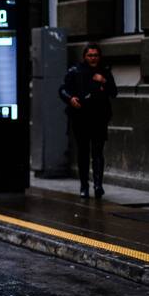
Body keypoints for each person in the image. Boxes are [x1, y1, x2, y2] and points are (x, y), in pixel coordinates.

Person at [59, 43, 118, 199]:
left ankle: (98, 185)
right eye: (90, 55)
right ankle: (84, 186)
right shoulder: (75, 71)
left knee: (98, 151)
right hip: (81, 117)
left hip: (99, 117)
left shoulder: (104, 71)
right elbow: (63, 89)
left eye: (96, 55)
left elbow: (114, 92)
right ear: (85, 56)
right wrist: (70, 99)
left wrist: (104, 81)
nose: (93, 58)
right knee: (83, 152)